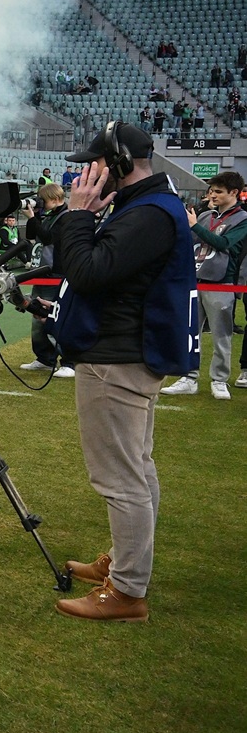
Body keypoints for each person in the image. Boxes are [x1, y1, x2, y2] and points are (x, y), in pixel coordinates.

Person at [41, 122, 198, 623]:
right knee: (137, 466)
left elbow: (87, 270)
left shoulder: (148, 213)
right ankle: (125, 562)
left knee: (120, 477)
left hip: (118, 359)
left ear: (122, 163)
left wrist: (76, 215)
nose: (85, 175)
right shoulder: (148, 207)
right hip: (125, 352)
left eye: (96, 165)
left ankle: (128, 590)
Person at [157, 171, 246, 400]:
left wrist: (195, 226)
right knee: (189, 333)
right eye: (211, 191)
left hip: (221, 282)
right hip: (194, 280)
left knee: (222, 335)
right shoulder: (206, 215)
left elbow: (224, 243)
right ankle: (188, 376)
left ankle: (219, 380)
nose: (212, 195)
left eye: (218, 191)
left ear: (233, 193)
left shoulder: (243, 219)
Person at [20, 183, 74, 378]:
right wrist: (33, 218)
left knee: (55, 317)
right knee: (37, 314)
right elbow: (32, 236)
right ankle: (44, 358)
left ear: (52, 198)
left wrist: (34, 218)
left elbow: (49, 238)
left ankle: (69, 362)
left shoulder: (66, 216)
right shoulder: (49, 215)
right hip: (42, 271)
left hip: (56, 273)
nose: (40, 202)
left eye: (43, 199)